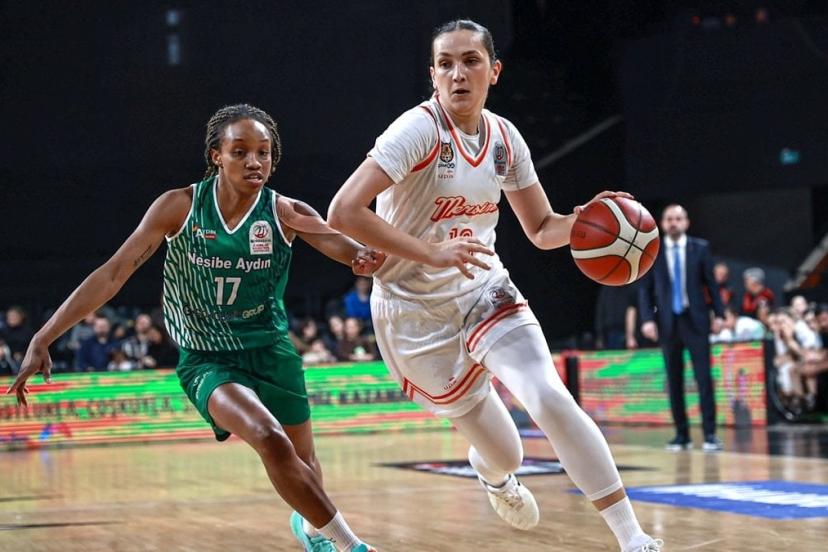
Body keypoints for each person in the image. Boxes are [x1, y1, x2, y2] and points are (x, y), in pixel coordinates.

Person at [327, 20, 661, 552]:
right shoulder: (417, 131)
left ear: (495, 71)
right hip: (413, 312)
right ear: (433, 75)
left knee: (548, 395)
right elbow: (344, 210)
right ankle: (494, 475)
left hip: (484, 290)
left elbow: (542, 228)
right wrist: (431, 252)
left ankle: (633, 537)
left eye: (471, 61)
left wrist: (591, 221)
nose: (458, 74)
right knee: (508, 454)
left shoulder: (505, 139)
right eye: (445, 64)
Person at [6, 104, 379, 552]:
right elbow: (114, 272)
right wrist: (44, 335)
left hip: (272, 351)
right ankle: (353, 546)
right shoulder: (180, 207)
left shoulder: (285, 212)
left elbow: (351, 252)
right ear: (216, 155)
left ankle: (314, 532)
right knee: (269, 438)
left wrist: (373, 256)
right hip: (208, 359)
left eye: (263, 153)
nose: (254, 162)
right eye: (240, 152)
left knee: (306, 466)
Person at [638, 205, 725, 452]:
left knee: (703, 378)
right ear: (662, 223)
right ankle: (681, 434)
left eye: (678, 218)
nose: (673, 223)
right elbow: (645, 289)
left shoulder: (700, 248)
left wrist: (719, 314)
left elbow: (712, 285)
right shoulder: (653, 251)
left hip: (695, 320)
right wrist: (647, 319)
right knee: (674, 380)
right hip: (668, 322)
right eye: (669, 219)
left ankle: (710, 434)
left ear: (686, 222)